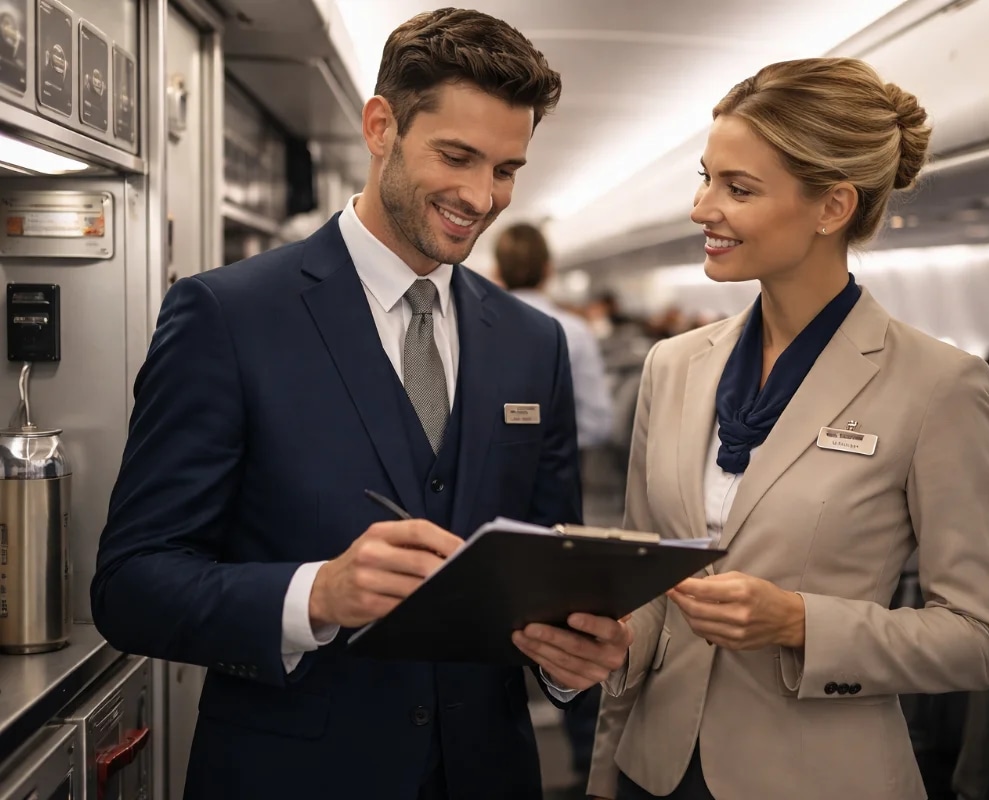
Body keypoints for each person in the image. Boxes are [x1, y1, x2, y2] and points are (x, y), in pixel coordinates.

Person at [91, 9, 629, 800]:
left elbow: (546, 573)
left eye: (507, 169)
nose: (482, 197)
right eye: (457, 156)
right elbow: (132, 585)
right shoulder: (228, 317)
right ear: (382, 127)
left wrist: (566, 660)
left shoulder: (531, 341)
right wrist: (316, 594)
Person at [586, 58, 989, 800]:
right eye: (706, 177)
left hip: (816, 776)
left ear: (832, 207)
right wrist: (616, 652)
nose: (700, 208)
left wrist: (799, 622)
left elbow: (981, 641)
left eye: (737, 188)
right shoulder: (674, 365)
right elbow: (647, 584)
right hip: (652, 770)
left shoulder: (936, 386)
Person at [495, 223, 614, 449]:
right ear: (548, 269)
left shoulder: (471, 327)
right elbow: (597, 424)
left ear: (497, 271)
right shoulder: (576, 332)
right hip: (556, 468)